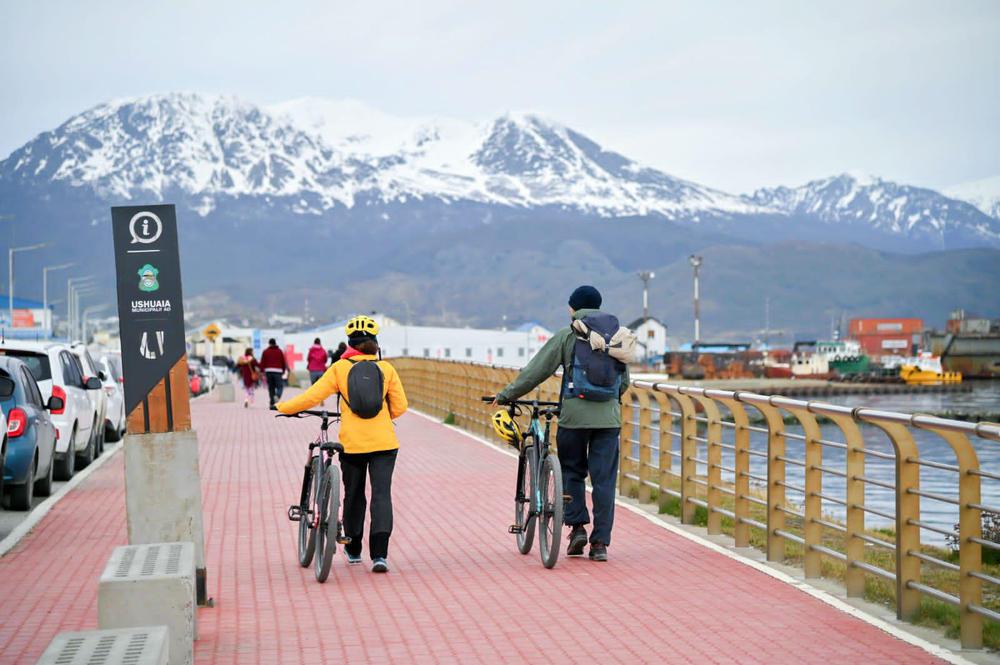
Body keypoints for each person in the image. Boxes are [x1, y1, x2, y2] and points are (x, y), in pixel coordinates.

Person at [494, 285, 629, 562]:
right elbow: (623, 382)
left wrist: (507, 395)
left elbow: (537, 371)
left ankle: (577, 527)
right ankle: (600, 544)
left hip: (574, 417)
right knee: (604, 481)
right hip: (609, 420)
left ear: (573, 308)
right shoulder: (615, 336)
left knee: (571, 471)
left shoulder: (568, 335)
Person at [277, 315, 408, 573]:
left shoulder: (339, 369)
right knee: (381, 495)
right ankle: (380, 556)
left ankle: (353, 549)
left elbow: (312, 396)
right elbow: (401, 406)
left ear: (350, 343)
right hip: (385, 444)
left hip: (352, 445)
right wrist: (382, 418)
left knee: (354, 494)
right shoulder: (387, 369)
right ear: (374, 343)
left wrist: (284, 407)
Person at [260, 338, 288, 407]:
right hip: (278, 371)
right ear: (275, 343)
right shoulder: (279, 351)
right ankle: (277, 396)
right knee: (280, 386)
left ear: (269, 344)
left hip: (268, 371)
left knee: (271, 388)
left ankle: (272, 403)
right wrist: (283, 370)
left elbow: (262, 362)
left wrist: (262, 371)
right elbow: (283, 362)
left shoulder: (265, 351)